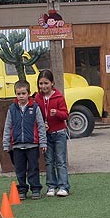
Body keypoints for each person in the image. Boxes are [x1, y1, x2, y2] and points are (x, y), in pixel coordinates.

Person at [3, 81, 47, 200]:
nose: (21, 96)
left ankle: (35, 188)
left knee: (33, 168)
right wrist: (6, 143)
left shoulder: (35, 107)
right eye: (18, 94)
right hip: (17, 145)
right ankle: (22, 189)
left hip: (32, 145)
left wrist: (43, 142)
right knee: (19, 169)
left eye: (23, 93)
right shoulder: (12, 109)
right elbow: (8, 126)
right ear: (15, 95)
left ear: (29, 93)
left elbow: (41, 125)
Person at [34, 69, 70, 197]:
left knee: (60, 160)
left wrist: (57, 113)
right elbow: (35, 114)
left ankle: (63, 186)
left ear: (52, 83)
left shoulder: (59, 97)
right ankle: (51, 186)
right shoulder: (37, 98)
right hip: (45, 134)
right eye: (41, 83)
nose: (43, 86)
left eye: (46, 83)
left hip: (59, 133)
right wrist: (41, 125)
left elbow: (66, 114)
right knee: (49, 161)